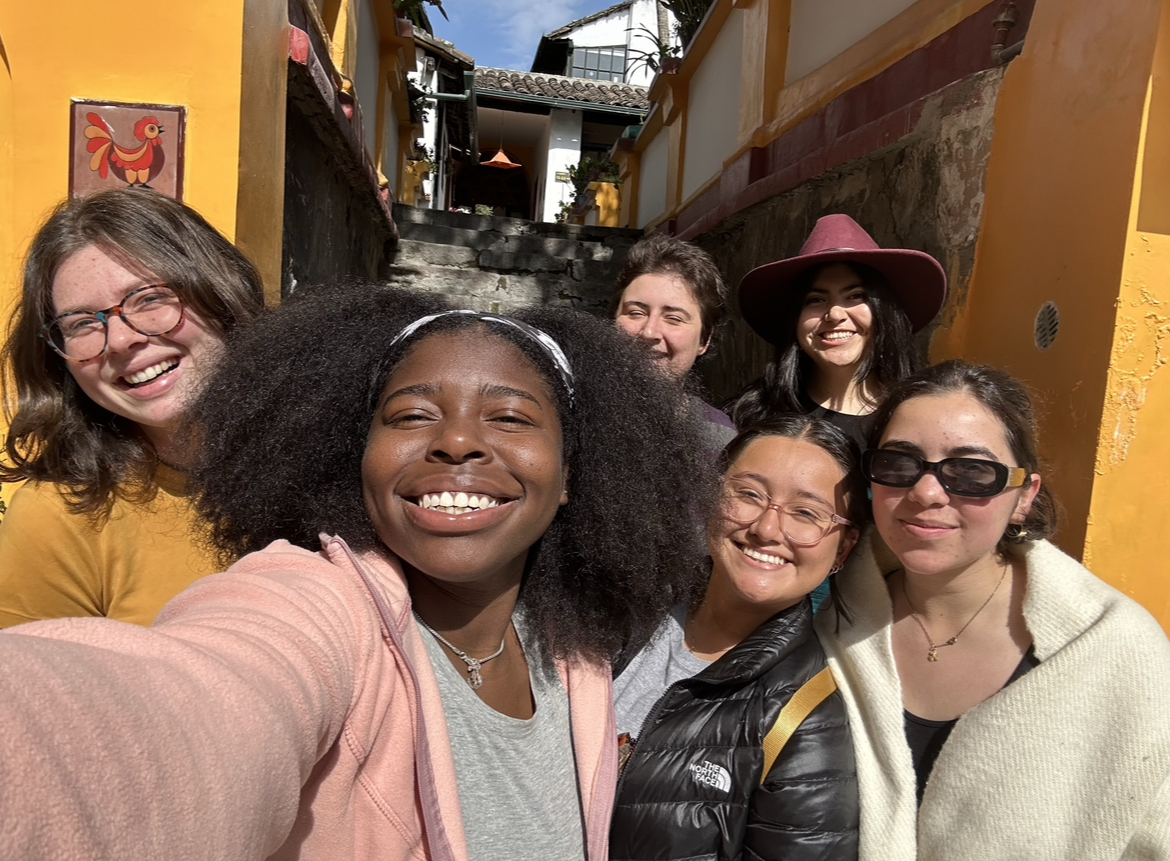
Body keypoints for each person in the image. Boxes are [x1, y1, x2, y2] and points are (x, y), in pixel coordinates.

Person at [0, 283, 718, 860]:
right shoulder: (316, 605)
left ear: (569, 477)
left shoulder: (575, 651)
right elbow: (174, 712)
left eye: (509, 417)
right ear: (356, 455)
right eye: (410, 415)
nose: (458, 440)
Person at [817, 360, 1170, 860]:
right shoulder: (825, 618)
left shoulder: (1116, 650)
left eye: (972, 471)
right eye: (898, 463)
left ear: (1024, 497)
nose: (926, 492)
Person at [0, 187, 266, 626]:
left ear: (220, 293)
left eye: (149, 298)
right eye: (82, 323)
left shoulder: (340, 453)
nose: (122, 340)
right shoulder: (57, 519)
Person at [610, 415, 862, 861]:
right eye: (748, 495)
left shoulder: (808, 718)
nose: (766, 528)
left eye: (807, 513)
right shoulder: (621, 606)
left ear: (842, 549)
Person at [730, 214, 947, 448]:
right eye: (816, 299)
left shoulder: (927, 415)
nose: (835, 314)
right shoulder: (749, 419)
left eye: (855, 296)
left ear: (886, 311)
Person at [611, 232, 736, 451]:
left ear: (704, 341)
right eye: (635, 312)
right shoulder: (564, 412)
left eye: (674, 319)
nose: (649, 332)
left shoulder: (718, 439)